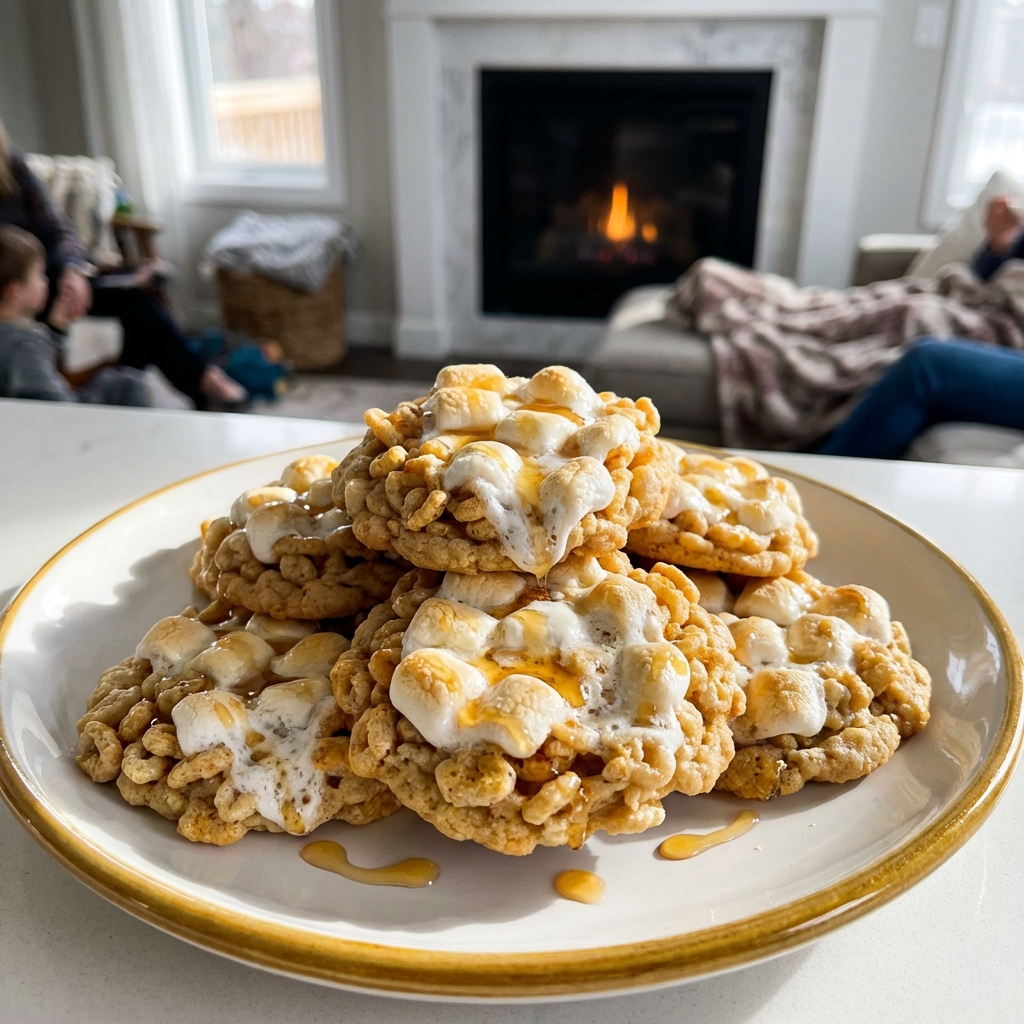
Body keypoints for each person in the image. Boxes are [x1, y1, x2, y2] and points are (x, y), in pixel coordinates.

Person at [0, 120, 245, 408]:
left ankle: (200, 384)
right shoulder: (19, 344)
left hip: (43, 278)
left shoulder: (13, 167)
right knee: (126, 372)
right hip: (12, 292)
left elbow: (58, 230)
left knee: (135, 303)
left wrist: (72, 270)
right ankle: (125, 398)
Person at [819, 194, 1024, 459]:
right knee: (894, 314)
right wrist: (999, 245)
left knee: (929, 364)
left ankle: (822, 479)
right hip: (990, 310)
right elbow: (987, 279)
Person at [0, 225, 149, 404]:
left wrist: (57, 325)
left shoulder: (15, 340)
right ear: (14, 291)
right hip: (65, 421)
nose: (45, 282)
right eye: (39, 275)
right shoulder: (23, 346)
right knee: (126, 383)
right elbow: (57, 404)